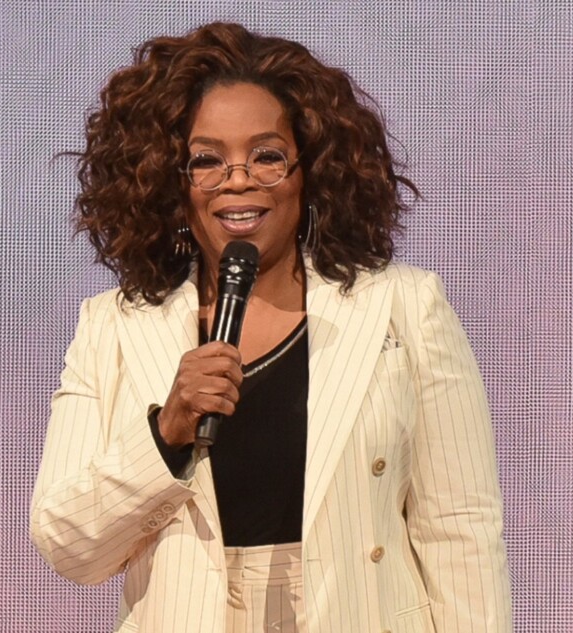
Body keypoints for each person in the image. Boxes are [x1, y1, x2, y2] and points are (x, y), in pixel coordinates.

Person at [30, 21, 512, 633]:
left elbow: (461, 530)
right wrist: (167, 433)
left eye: (266, 156)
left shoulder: (403, 306)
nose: (238, 179)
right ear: (172, 183)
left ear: (310, 171)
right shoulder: (113, 327)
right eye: (207, 160)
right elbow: (70, 546)